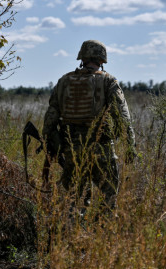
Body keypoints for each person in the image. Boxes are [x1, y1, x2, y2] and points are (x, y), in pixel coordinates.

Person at [42, 39, 136, 213]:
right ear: (102, 60)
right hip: (102, 151)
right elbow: (123, 116)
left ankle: (72, 234)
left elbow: (50, 119)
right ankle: (103, 235)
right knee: (109, 199)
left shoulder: (64, 81)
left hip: (73, 152)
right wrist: (130, 144)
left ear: (82, 58)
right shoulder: (108, 81)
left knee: (74, 201)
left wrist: (51, 142)